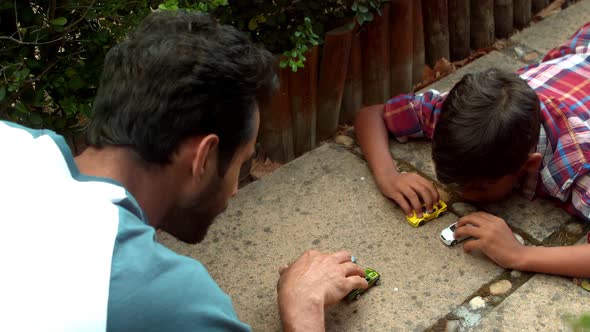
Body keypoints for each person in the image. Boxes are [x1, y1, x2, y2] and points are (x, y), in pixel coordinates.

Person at [0, 10, 367, 332]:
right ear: (204, 158)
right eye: (240, 164)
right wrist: (303, 310)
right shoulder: (171, 303)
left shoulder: (13, 141)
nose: (235, 191)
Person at [355, 22, 590, 278]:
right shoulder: (460, 116)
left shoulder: (577, 168)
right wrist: (388, 175)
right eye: (454, 182)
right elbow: (372, 114)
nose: (464, 194)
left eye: (480, 186)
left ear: (529, 164)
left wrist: (520, 254)